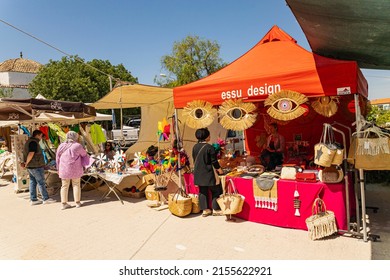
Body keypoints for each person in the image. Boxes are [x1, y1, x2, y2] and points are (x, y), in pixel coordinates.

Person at [192, 128, 224, 217]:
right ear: (206, 137)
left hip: (198, 173)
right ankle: (216, 209)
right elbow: (214, 162)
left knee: (203, 191)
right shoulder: (210, 147)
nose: (210, 136)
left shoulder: (195, 147)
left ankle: (205, 210)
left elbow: (195, 160)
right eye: (209, 135)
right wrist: (220, 170)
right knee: (216, 190)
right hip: (209, 173)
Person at [56, 131, 91, 210]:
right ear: (75, 137)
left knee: (64, 186)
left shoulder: (61, 145)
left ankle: (64, 204)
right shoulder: (77, 146)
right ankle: (77, 202)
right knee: (76, 185)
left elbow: (57, 158)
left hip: (64, 168)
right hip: (75, 168)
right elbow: (84, 154)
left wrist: (58, 168)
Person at [22, 130, 56, 205]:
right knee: (41, 182)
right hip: (35, 166)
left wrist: (26, 164)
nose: (41, 138)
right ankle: (45, 198)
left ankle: (33, 199)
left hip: (32, 166)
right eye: (41, 136)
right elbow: (31, 153)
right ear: (37, 135)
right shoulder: (34, 142)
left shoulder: (29, 141)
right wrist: (26, 163)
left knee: (33, 182)